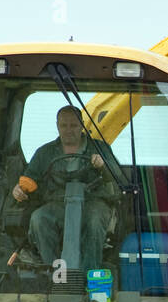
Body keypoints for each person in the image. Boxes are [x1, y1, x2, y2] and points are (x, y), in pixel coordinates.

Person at [10, 106, 120, 270]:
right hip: (58, 204)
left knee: (94, 221)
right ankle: (55, 273)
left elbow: (118, 177)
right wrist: (18, 190)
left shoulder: (99, 148)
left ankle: (89, 277)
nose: (69, 130)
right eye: (64, 125)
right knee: (39, 219)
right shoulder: (44, 153)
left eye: (73, 125)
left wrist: (104, 166)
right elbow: (28, 180)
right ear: (57, 126)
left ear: (82, 125)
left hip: (93, 202)